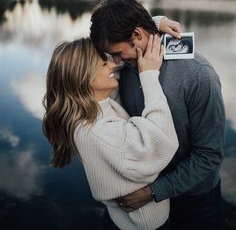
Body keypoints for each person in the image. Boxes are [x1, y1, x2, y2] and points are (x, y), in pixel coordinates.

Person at [90, 0, 226, 230]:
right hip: (143, 189)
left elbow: (209, 155)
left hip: (195, 200)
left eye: (117, 53)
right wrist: (156, 21)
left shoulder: (199, 76)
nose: (114, 62)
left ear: (137, 35)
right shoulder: (125, 65)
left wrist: (154, 191)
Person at [42, 35, 179, 230]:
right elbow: (160, 142)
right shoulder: (96, 130)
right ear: (84, 77)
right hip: (145, 225)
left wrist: (151, 28)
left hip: (125, 220)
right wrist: (149, 76)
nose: (111, 65)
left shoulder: (95, 105)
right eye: (102, 63)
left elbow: (113, 38)